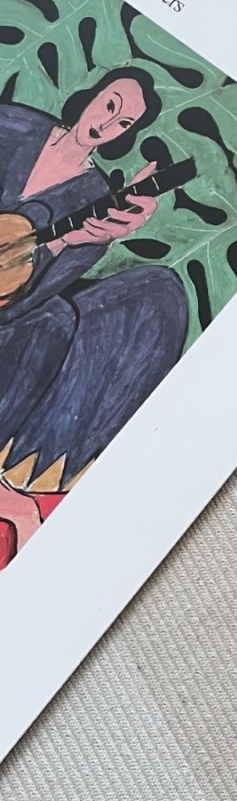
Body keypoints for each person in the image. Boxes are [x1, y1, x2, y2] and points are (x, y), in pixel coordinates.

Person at [0, 69, 188, 559]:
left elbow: (27, 299)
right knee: (52, 325)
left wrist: (76, 240)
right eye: (109, 105)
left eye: (124, 123)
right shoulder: (12, 126)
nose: (107, 124)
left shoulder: (92, 198)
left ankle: (32, 480)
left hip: (10, 326)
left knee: (155, 296)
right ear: (91, 95)